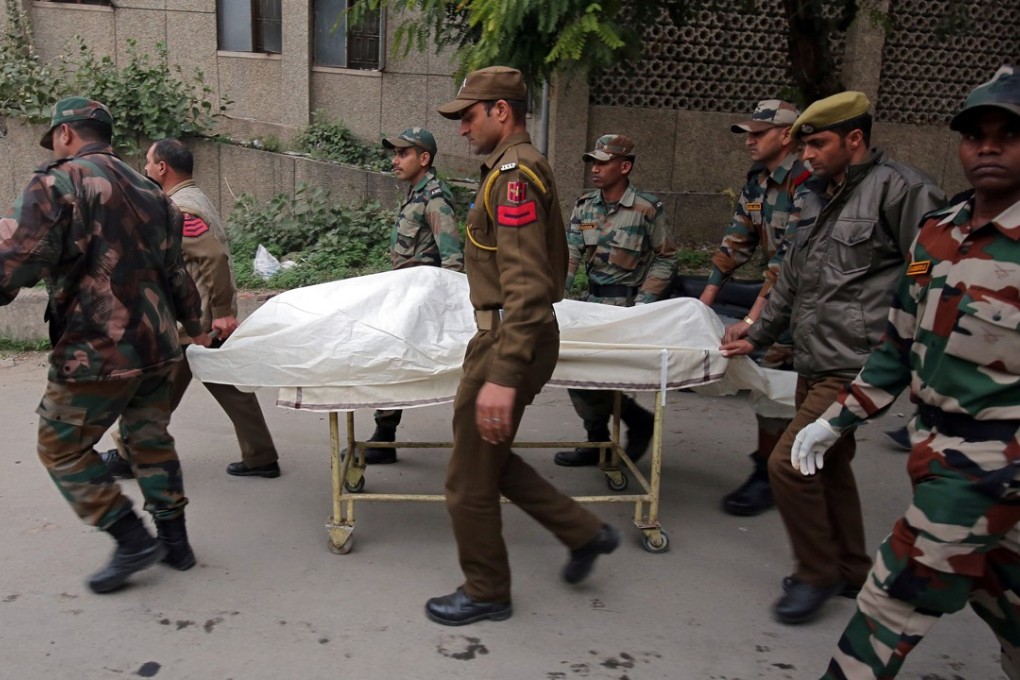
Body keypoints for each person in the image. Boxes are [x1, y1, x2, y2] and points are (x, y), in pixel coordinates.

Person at [793, 65, 1020, 679]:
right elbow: (899, 338)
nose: (989, 146)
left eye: (1009, 133)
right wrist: (837, 420)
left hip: (987, 470)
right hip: (934, 452)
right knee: (1004, 600)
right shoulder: (937, 237)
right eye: (976, 135)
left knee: (890, 600)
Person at [719, 91, 946, 624]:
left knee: (790, 463)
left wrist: (910, 352)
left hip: (858, 362)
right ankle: (848, 567)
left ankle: (816, 572)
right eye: (804, 145)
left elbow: (931, 274)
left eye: (818, 143)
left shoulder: (904, 190)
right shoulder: (816, 192)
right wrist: (757, 331)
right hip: (814, 356)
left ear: (854, 139)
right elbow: (792, 275)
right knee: (829, 465)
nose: (809, 155)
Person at [426, 66, 618, 626]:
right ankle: (584, 533)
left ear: (501, 112)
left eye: (468, 115)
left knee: (466, 482)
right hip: (508, 335)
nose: (461, 128)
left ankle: (486, 590)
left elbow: (529, 288)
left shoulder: (514, 176)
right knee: (486, 459)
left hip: (510, 339)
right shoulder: (507, 172)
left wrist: (503, 377)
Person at [0, 97, 210, 592]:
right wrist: (195, 325)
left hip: (96, 350)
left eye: (54, 137)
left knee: (61, 445)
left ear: (67, 134)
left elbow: (15, 259)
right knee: (149, 440)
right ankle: (176, 543)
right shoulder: (156, 194)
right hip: (158, 345)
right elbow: (177, 273)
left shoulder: (59, 181)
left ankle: (131, 537)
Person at [100, 138, 283, 479]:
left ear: (163, 168)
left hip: (191, 324)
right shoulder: (193, 198)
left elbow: (212, 258)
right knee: (227, 386)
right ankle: (261, 456)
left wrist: (222, 312)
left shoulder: (180, 208)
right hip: (200, 320)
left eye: (148, 162)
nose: (145, 167)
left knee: (153, 392)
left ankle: (128, 454)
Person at [699, 99, 811, 515]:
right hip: (780, 302)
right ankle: (775, 470)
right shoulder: (757, 181)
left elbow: (788, 258)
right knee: (776, 388)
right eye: (748, 133)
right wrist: (706, 299)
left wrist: (751, 318)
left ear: (787, 135)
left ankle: (780, 474)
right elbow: (735, 242)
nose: (750, 140)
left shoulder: (808, 182)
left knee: (792, 387)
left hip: (810, 304)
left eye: (759, 133)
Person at [554, 134, 676, 467]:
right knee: (575, 370)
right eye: (593, 162)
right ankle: (597, 440)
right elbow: (572, 251)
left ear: (624, 166)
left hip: (627, 309)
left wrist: (645, 302)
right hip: (591, 303)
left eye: (603, 162)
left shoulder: (646, 209)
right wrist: (558, 295)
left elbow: (666, 257)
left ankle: (635, 421)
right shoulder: (585, 206)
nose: (595, 168)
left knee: (609, 374)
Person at [356, 127, 463, 465]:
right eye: (395, 154)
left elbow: (453, 261)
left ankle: (384, 437)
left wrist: (447, 315)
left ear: (424, 158)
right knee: (392, 362)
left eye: (402, 154)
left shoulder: (434, 198)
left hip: (423, 302)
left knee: (394, 363)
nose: (395, 160)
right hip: (406, 296)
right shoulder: (415, 194)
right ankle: (384, 436)